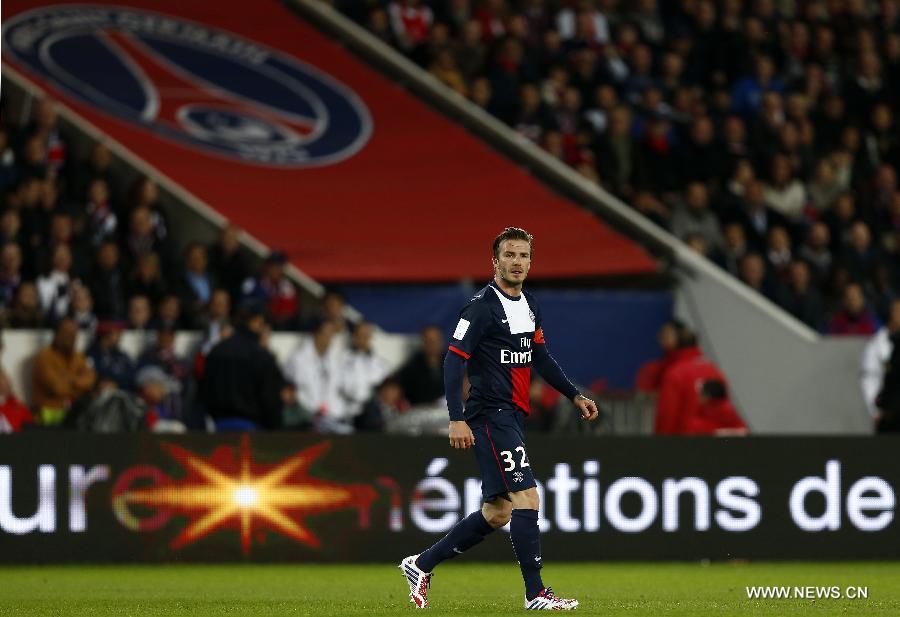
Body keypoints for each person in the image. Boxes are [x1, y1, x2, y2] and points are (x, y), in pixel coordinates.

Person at [400, 227, 597, 611]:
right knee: (528, 496)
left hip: (512, 414)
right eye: (509, 255)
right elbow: (454, 360)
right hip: (491, 413)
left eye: (524, 256)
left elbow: (539, 357)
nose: (517, 262)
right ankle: (536, 593)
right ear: (495, 261)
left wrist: (574, 394)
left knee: (498, 512)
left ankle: (420, 565)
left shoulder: (530, 304)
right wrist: (455, 418)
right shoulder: (480, 308)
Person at [199, 302, 285, 430]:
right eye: (264, 325)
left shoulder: (217, 351)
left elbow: (205, 392)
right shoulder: (261, 356)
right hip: (253, 431)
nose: (266, 330)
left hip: (219, 429)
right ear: (257, 321)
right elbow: (270, 401)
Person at [31, 316, 96, 425]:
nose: (72, 337)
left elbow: (91, 379)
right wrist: (79, 387)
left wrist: (71, 380)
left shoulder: (78, 356)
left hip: (74, 414)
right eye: (67, 333)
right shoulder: (44, 357)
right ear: (57, 334)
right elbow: (57, 388)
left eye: (74, 333)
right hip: (49, 415)